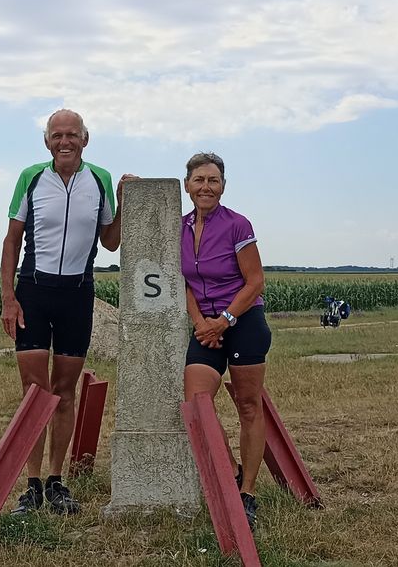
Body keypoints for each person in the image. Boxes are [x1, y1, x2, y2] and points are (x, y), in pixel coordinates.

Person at [0, 109, 123, 515]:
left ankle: (56, 482)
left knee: (64, 392)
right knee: (34, 394)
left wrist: (122, 204)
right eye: (57, 135)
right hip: (33, 291)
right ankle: (31, 485)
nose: (64, 141)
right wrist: (8, 298)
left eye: (72, 134)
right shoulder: (31, 177)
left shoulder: (100, 179)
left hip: (77, 293)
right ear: (47, 141)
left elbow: (109, 242)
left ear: (85, 139)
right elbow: (12, 240)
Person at [180, 152, 271, 532]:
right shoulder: (180, 227)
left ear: (223, 185)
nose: (206, 187)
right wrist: (202, 323)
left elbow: (255, 282)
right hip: (206, 326)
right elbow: (182, 281)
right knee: (197, 404)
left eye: (213, 180)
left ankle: (247, 493)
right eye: (199, 179)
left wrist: (224, 321)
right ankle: (231, 468)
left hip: (243, 319)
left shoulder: (237, 225)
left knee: (249, 406)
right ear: (187, 185)